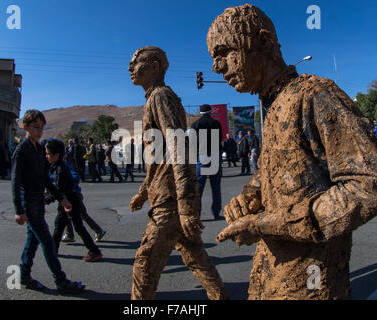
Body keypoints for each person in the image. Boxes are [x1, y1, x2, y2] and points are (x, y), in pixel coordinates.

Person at [207, 4, 377, 300]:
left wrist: (270, 223)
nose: (217, 67)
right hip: (269, 278)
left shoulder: (315, 95)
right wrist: (249, 197)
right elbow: (272, 174)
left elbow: (367, 185)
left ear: (264, 42)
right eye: (214, 58)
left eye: (224, 52)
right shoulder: (273, 108)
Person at [127, 46, 228, 300]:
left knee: (145, 262)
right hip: (165, 194)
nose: (130, 67)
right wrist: (143, 192)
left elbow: (178, 147)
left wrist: (184, 206)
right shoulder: (154, 99)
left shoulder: (161, 96)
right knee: (195, 255)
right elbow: (157, 159)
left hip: (170, 200)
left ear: (155, 66)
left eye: (136, 62)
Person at [11, 109, 85, 294]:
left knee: (32, 241)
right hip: (29, 203)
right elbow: (15, 181)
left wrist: (62, 199)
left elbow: (46, 180)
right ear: (26, 127)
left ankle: (24, 274)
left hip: (38, 202)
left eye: (42, 127)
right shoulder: (22, 150)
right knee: (47, 241)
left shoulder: (39, 150)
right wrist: (19, 210)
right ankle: (61, 281)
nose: (39, 131)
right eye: (36, 127)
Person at [44, 139, 103, 262]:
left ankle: (94, 251)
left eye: (48, 154)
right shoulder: (56, 167)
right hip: (66, 202)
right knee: (59, 224)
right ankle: (53, 250)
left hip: (71, 201)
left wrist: (46, 200)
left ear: (57, 155)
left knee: (77, 227)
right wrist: (48, 193)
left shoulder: (61, 169)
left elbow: (58, 191)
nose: (47, 156)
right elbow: (55, 187)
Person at [191, 104, 223, 220]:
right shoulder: (216, 124)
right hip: (215, 156)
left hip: (202, 156)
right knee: (216, 186)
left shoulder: (195, 125)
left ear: (200, 113)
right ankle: (216, 212)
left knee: (199, 187)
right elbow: (219, 139)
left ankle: (197, 213)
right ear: (210, 112)